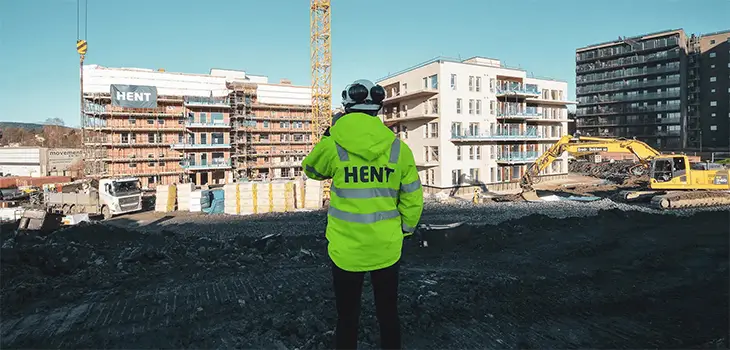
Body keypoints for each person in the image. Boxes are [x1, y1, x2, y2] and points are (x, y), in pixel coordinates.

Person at [302, 79, 424, 349]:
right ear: (377, 110)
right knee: (388, 314)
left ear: (346, 108)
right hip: (387, 246)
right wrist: (406, 229)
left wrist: (326, 135)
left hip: (346, 249)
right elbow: (413, 195)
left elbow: (311, 170)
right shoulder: (397, 149)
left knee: (347, 317)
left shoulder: (334, 144)